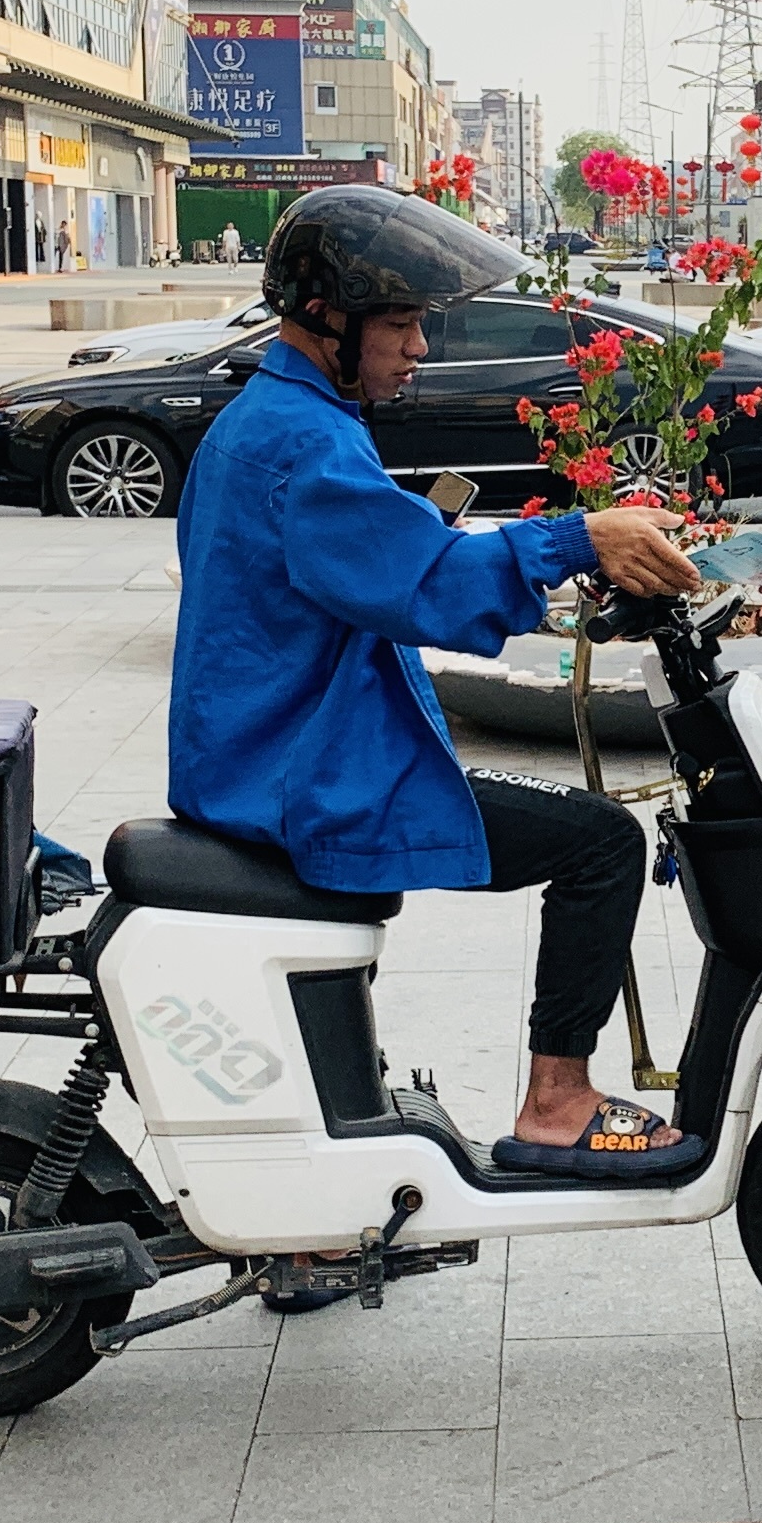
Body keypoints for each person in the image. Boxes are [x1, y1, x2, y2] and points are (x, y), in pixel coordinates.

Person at [168, 185, 702, 1171]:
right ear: (329, 316)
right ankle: (559, 1102)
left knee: (576, 834)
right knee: (601, 845)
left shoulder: (278, 416)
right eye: (403, 324)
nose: (419, 348)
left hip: (272, 754)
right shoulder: (305, 443)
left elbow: (385, 563)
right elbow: (422, 580)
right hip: (300, 781)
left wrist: (544, 568)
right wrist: (580, 534)